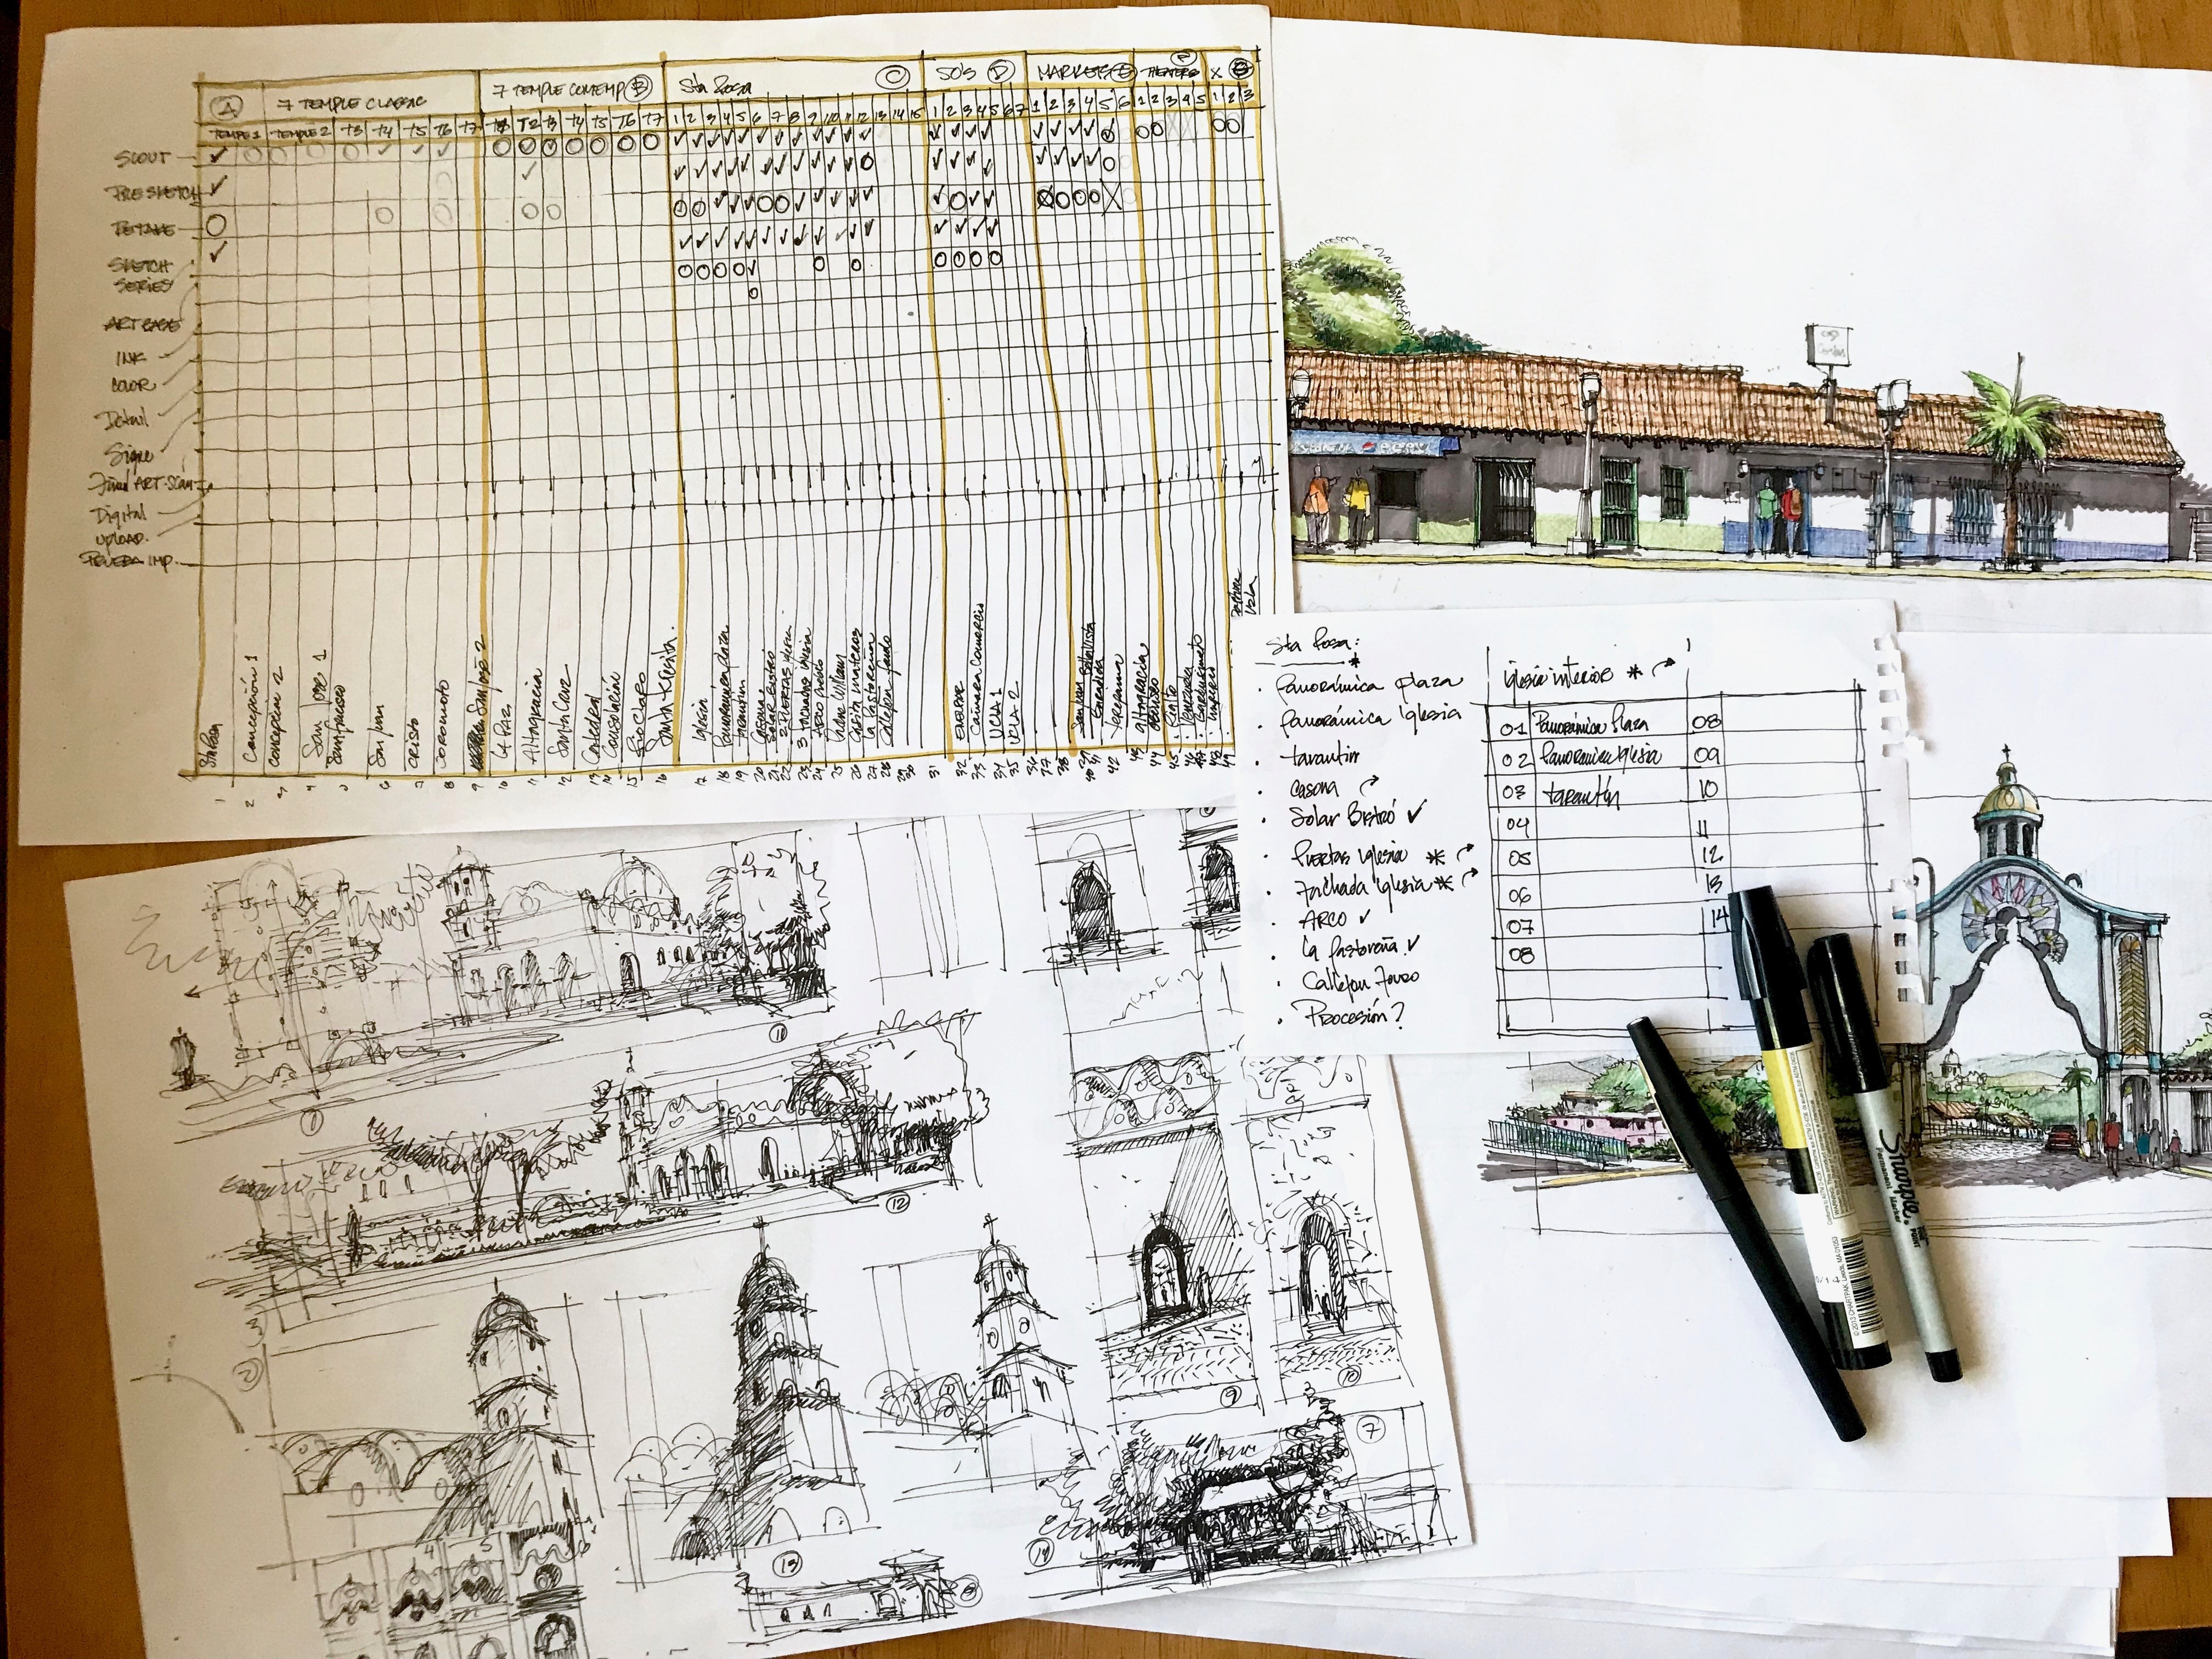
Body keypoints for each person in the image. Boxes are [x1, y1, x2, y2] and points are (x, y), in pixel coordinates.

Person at [1302, 473, 1335, 548]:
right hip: (1312, 510)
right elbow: (1313, 498)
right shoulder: (1314, 484)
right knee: (1313, 526)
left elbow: (1329, 485)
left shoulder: (1324, 481)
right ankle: (1314, 542)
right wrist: (1316, 511)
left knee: (1323, 525)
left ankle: (1321, 542)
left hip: (1323, 509)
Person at [1344, 475, 1372, 549]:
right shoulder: (1353, 483)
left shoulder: (1364, 484)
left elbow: (1367, 498)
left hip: (1361, 508)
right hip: (1353, 507)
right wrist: (1348, 503)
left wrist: (1368, 512)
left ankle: (1357, 541)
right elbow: (1348, 493)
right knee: (1351, 524)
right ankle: (1351, 539)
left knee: (1359, 525)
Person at [1779, 478, 1805, 554]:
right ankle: (1795, 547)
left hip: (1789, 516)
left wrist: (1784, 516)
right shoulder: (1797, 493)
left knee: (1790, 533)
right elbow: (1801, 504)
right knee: (1795, 532)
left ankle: (1791, 549)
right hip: (1797, 515)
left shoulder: (1785, 496)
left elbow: (1783, 508)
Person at [1754, 479, 1779, 552]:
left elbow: (1758, 502)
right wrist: (1775, 512)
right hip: (1770, 514)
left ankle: (1762, 546)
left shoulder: (1761, 493)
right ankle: (1768, 547)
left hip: (1763, 514)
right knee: (1770, 531)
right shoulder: (1773, 494)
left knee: (1763, 532)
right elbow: (1775, 506)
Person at [2103, 1111, 2123, 1178]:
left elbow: (2106, 1134)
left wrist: (2105, 1142)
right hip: (2115, 1142)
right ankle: (2114, 1168)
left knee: (2110, 1155)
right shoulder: (2118, 1125)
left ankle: (2112, 1167)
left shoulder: (2107, 1125)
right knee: (2114, 1156)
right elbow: (2120, 1134)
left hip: (2110, 1142)